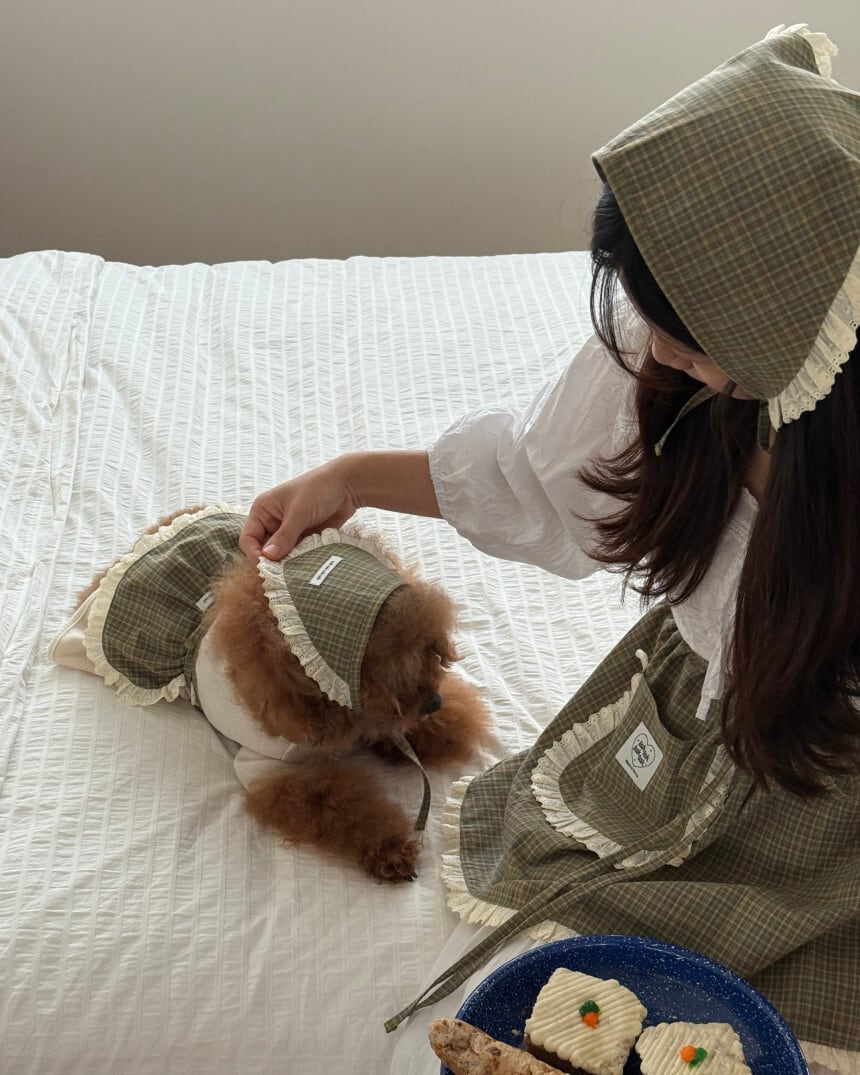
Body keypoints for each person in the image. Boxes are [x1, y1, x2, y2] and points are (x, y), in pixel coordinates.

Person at [240, 25, 859, 1075]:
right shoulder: (677, 371)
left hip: (823, 783)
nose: (652, 351)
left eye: (686, 338)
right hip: (691, 726)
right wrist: (351, 475)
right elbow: (534, 474)